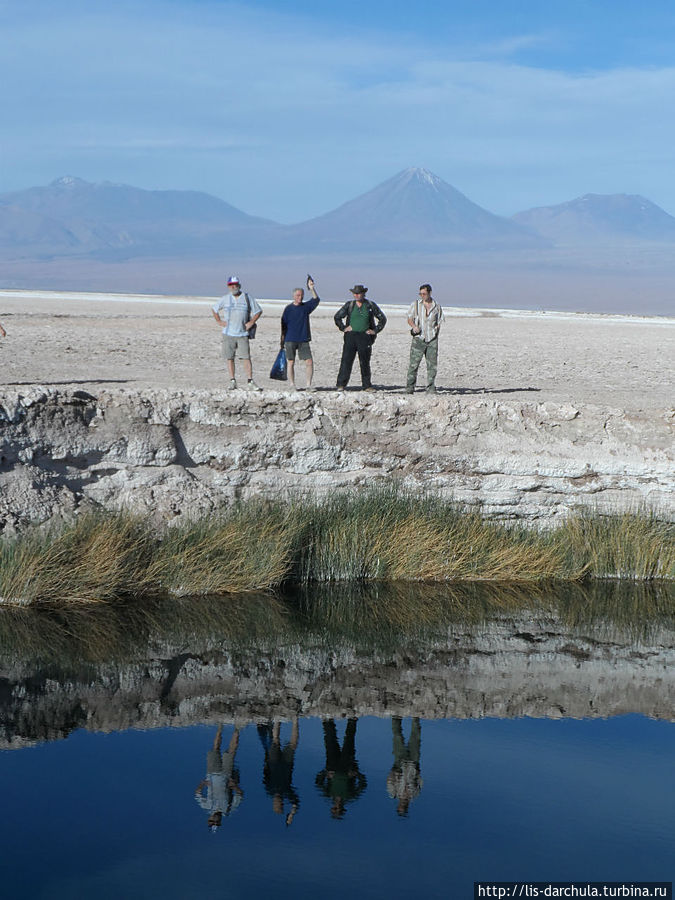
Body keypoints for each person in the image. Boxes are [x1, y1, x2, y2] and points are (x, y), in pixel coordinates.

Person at [211, 275, 263, 390]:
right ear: (228, 286)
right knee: (229, 357)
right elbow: (214, 309)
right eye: (231, 285)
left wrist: (251, 322)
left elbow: (258, 311)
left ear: (239, 285)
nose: (233, 287)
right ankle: (232, 381)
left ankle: (250, 381)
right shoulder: (225, 298)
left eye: (235, 284)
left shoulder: (247, 298)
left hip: (242, 334)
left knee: (246, 357)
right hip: (228, 334)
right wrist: (219, 321)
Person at [334, 284, 386, 392]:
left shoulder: (370, 305)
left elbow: (382, 318)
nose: (357, 295)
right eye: (355, 293)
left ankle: (367, 385)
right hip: (351, 336)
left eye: (359, 293)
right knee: (346, 360)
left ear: (363, 294)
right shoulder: (350, 305)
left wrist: (375, 330)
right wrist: (343, 328)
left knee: (365, 362)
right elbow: (337, 317)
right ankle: (341, 385)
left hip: (365, 337)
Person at [315, 717, 367, 819]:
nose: (337, 807)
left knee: (330, 740)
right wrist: (356, 773)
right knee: (349, 741)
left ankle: (327, 719)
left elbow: (318, 783)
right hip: (347, 767)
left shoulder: (328, 795)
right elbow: (363, 785)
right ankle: (352, 719)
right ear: (343, 808)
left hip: (332, 767)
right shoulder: (350, 796)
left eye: (335, 809)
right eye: (339, 809)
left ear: (332, 808)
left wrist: (325, 773)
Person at [194, 725, 244, 832]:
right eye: (217, 822)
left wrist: (202, 784)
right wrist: (234, 786)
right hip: (226, 775)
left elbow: (197, 794)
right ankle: (237, 727)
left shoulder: (206, 806)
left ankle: (220, 727)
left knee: (215, 748)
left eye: (212, 821)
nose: (215, 820)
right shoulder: (228, 809)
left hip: (211, 773)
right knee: (231, 752)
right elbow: (240, 795)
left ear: (209, 819)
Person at [257, 717, 301, 826]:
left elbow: (265, 775)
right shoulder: (286, 792)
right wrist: (291, 814)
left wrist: (266, 762)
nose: (278, 802)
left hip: (273, 762)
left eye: (277, 804)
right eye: (280, 805)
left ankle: (278, 719)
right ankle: (295, 720)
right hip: (287, 764)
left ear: (273, 803)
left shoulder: (269, 790)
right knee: (293, 745)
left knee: (275, 741)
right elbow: (296, 803)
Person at [280, 277, 320, 391]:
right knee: (291, 362)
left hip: (303, 339)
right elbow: (283, 325)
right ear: (293, 296)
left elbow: (316, 300)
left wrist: (312, 288)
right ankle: (292, 384)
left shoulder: (306, 307)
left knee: (309, 361)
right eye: (298, 295)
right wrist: (282, 341)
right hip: (290, 339)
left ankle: (308, 385)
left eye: (301, 295)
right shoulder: (288, 309)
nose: (300, 297)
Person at [406, 283, 444, 393]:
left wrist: (436, 331)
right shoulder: (416, 305)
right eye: (420, 294)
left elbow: (439, 321)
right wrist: (414, 326)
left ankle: (431, 387)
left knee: (432, 366)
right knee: (413, 365)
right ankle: (410, 387)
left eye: (424, 294)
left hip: (432, 339)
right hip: (419, 338)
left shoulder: (437, 306)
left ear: (429, 293)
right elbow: (409, 318)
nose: (422, 296)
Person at [386, 716, 423, 817]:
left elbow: (389, 780)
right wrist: (418, 771)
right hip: (413, 764)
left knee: (397, 736)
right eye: (404, 807)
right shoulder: (414, 795)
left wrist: (394, 773)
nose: (403, 804)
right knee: (416, 737)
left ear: (398, 805)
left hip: (399, 763)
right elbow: (420, 782)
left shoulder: (393, 793)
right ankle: (416, 716)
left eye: (401, 807)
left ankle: (396, 717)